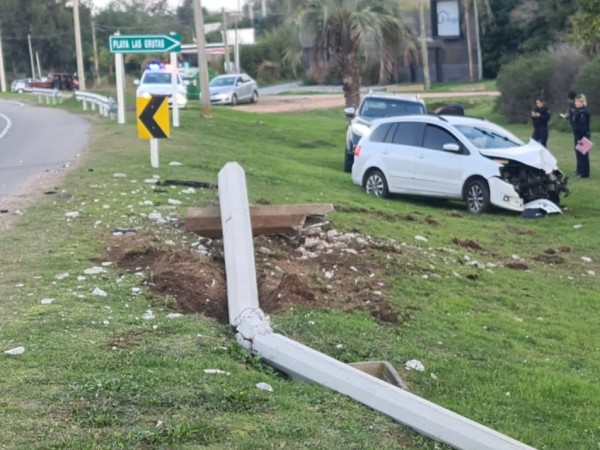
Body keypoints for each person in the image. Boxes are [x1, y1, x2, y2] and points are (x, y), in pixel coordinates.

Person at [572, 94, 591, 178]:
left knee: (583, 155)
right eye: (575, 101)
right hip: (577, 135)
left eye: (578, 101)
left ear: (582, 102)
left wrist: (580, 138)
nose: (576, 103)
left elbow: (583, 126)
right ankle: (579, 171)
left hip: (582, 136)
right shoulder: (577, 111)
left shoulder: (583, 112)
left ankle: (584, 173)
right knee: (578, 154)